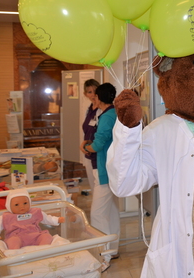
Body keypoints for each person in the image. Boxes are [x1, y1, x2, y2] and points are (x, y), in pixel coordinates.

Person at [82, 83, 120, 270]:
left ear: (99, 97)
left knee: (97, 213)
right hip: (112, 168)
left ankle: (104, 256)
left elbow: (98, 144)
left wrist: (86, 147)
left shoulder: (107, 116)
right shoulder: (114, 113)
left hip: (105, 169)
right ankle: (112, 249)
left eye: (94, 95)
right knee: (110, 211)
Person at [0, 189, 65, 249]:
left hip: (35, 235)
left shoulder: (34, 212)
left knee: (47, 236)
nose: (22, 206)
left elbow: (46, 218)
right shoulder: (6, 217)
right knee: (13, 241)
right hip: (16, 236)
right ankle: (15, 254)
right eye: (16, 205)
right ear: (9, 206)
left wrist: (56, 220)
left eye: (25, 203)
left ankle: (42, 250)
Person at [79, 79, 101, 192]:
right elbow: (86, 131)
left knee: (101, 188)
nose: (93, 95)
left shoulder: (103, 109)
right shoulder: (88, 110)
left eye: (95, 91)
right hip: (88, 152)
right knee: (93, 187)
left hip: (99, 154)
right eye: (89, 92)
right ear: (85, 94)